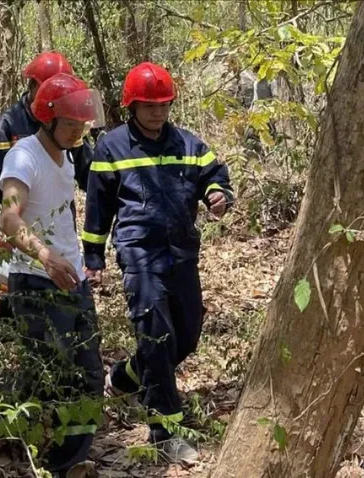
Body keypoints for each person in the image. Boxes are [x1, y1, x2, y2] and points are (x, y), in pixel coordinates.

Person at [81, 62, 234, 463]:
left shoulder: (188, 144)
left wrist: (218, 195)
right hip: (138, 253)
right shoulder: (111, 147)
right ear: (131, 105)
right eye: (149, 105)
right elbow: (97, 207)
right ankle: (165, 431)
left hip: (183, 252)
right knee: (157, 336)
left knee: (187, 336)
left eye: (164, 103)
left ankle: (124, 376)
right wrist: (92, 256)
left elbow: (216, 176)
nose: (157, 111)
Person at [0, 73, 105, 476]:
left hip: (72, 276)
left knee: (89, 371)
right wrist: (44, 255)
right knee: (51, 372)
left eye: (82, 126)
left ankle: (68, 461)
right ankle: (10, 428)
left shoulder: (68, 156)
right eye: (71, 126)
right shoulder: (23, 157)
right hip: (36, 280)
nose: (78, 133)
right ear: (47, 118)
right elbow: (8, 217)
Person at [0, 51, 93, 231]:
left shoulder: (70, 121)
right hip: (24, 230)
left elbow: (88, 174)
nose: (55, 95)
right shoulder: (9, 123)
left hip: (61, 227)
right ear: (32, 86)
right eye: (48, 87)